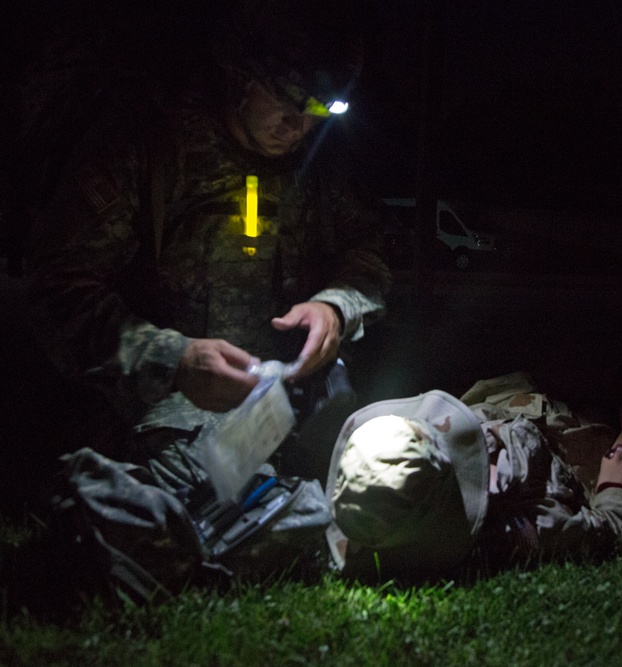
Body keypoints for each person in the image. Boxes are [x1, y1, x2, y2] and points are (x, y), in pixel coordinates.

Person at [19, 0, 391, 492]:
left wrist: (335, 308)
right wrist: (174, 359)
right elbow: (56, 290)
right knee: (225, 499)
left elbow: (369, 251)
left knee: (395, 466)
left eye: (318, 110)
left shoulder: (321, 162)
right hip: (166, 406)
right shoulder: (148, 144)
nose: (298, 125)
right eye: (285, 100)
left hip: (292, 394)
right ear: (239, 76)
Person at [320, 372, 622, 582]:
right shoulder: (529, 524)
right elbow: (610, 527)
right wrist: (619, 473)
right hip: (580, 437)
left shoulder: (377, 494)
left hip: (520, 395)